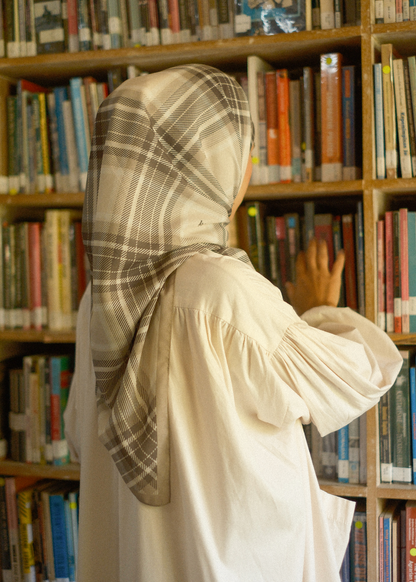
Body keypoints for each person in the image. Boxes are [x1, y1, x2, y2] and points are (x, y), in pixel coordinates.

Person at [64, 64, 402, 582]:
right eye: (240, 146)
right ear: (203, 164)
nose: (249, 162)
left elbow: (79, 435)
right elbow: (355, 377)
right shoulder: (221, 290)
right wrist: (318, 312)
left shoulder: (97, 301)